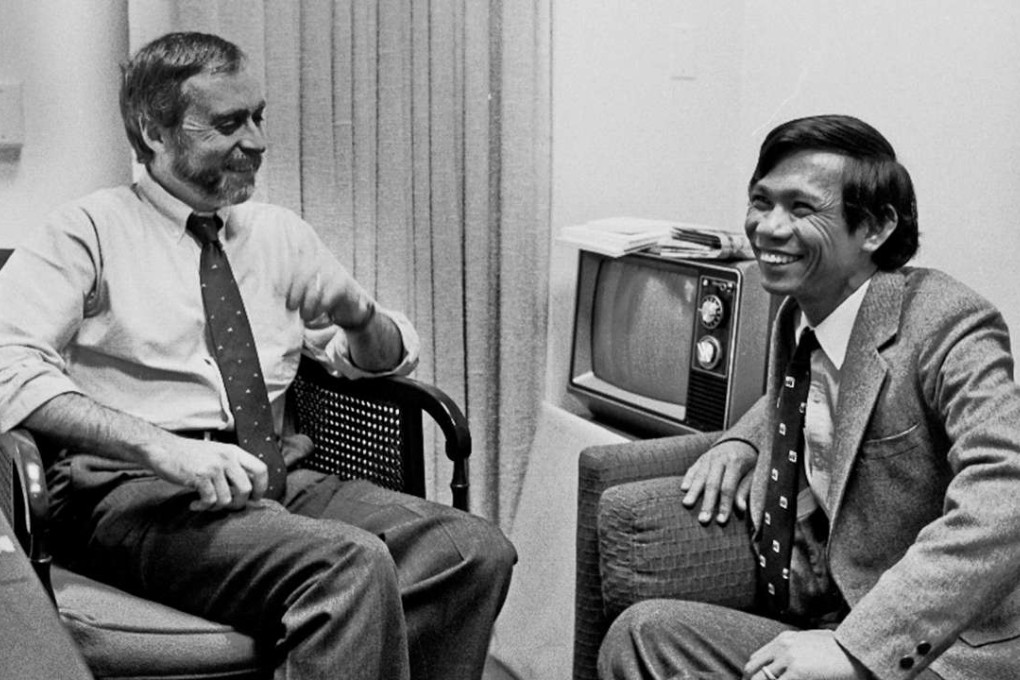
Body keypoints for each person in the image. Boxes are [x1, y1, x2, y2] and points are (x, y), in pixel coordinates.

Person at [0, 32, 515, 680]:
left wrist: (360, 313)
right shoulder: (88, 231)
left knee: (473, 551)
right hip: (133, 494)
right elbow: (7, 365)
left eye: (258, 117)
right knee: (348, 565)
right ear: (154, 132)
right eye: (229, 122)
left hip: (271, 479)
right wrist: (164, 448)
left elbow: (382, 361)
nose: (258, 141)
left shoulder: (278, 235)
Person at [598, 115, 1020, 680]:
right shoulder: (803, 311)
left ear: (874, 228)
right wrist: (744, 441)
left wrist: (856, 650)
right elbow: (814, 392)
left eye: (801, 209)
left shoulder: (948, 321)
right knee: (644, 633)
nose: (768, 228)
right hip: (828, 615)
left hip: (937, 646)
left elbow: (1007, 493)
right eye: (760, 201)